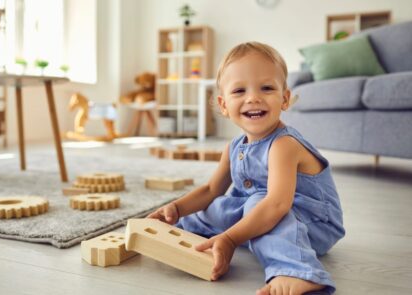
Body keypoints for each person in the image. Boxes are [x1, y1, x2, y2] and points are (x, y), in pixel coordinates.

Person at [148, 42, 345, 295]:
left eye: (266, 88)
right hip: (261, 206)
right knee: (219, 206)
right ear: (223, 104)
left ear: (284, 98)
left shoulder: (284, 144)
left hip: (312, 223)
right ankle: (182, 228)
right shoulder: (234, 146)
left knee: (256, 205)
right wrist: (176, 209)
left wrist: (231, 239)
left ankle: (297, 271)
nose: (253, 97)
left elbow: (276, 205)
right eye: (239, 90)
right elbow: (211, 189)